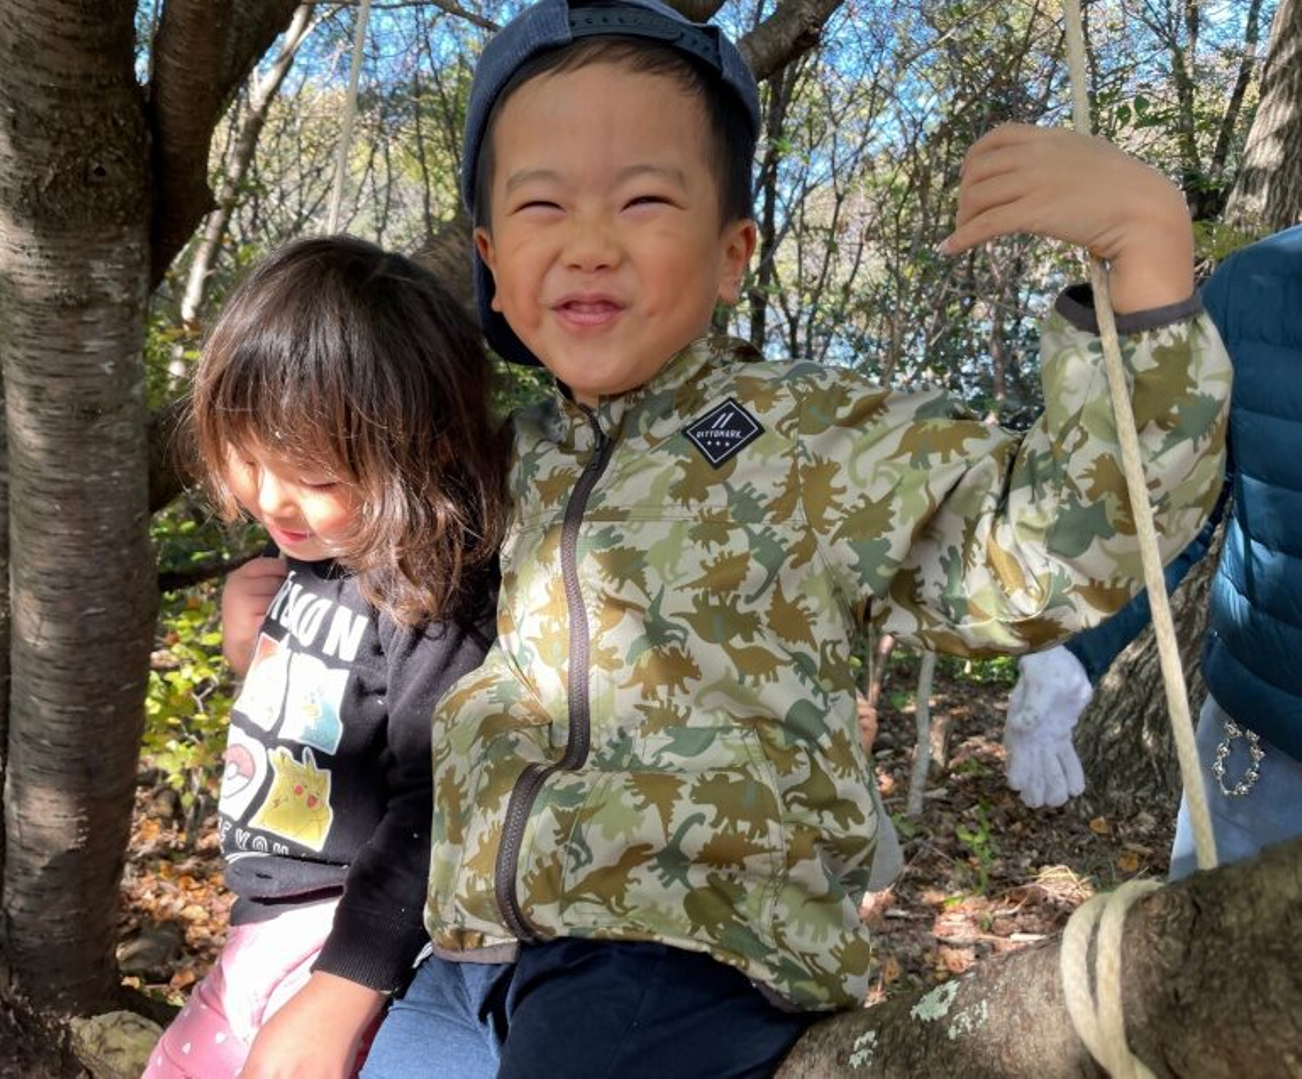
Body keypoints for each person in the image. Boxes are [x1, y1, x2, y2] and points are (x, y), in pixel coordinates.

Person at [362, 3, 1234, 1076]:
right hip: (475, 949)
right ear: (492, 260)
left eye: (645, 199)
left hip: (678, 945)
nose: (589, 243)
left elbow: (1069, 537)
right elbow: (374, 544)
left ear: (733, 252)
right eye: (543, 204)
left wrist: (1146, 259)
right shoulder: (509, 455)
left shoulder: (810, 434)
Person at [144, 236, 508, 1079]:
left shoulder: (430, 590)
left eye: (312, 475)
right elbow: (329, 715)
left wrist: (345, 984)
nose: (274, 498)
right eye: (250, 458)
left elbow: (437, 802)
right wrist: (251, 651)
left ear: (424, 448)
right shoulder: (308, 559)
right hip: (254, 926)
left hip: (348, 934)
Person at [1005, 225, 1302, 881]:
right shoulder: (1256, 287)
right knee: (1210, 944)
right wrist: (1076, 647)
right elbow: (1175, 505)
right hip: (1260, 756)